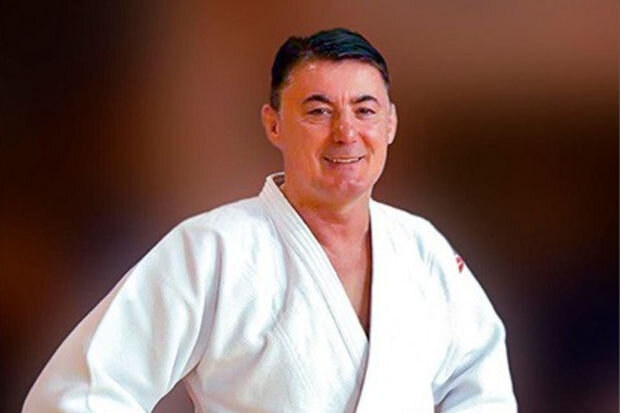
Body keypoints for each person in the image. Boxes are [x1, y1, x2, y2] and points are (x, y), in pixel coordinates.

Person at [23, 28, 517, 412]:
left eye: (365, 111)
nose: (346, 133)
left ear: (390, 124)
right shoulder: (213, 250)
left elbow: (482, 385)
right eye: (318, 111)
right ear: (274, 123)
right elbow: (78, 395)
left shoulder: (423, 249)